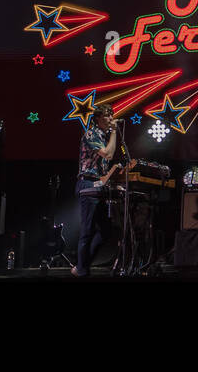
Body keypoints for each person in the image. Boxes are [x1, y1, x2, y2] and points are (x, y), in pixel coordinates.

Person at [73, 104, 119, 277]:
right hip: (87, 184)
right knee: (87, 230)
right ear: (98, 118)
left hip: (98, 185)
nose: (111, 119)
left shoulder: (103, 136)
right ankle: (82, 270)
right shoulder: (91, 134)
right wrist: (114, 132)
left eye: (112, 115)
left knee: (106, 230)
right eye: (107, 115)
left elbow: (108, 159)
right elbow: (108, 154)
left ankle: (81, 265)